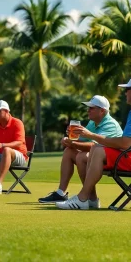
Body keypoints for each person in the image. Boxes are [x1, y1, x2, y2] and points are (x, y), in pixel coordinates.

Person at [56, 80, 131, 210]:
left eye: (127, 90)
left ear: (102, 111)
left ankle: (83, 198)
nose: (125, 93)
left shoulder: (110, 123)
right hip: (125, 155)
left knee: (97, 150)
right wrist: (73, 138)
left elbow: (125, 143)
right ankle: (86, 198)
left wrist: (87, 137)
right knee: (93, 149)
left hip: (126, 156)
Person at [38, 95, 123, 204]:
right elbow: (82, 140)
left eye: (91, 108)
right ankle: (61, 193)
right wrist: (69, 138)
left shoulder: (110, 124)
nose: (88, 110)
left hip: (113, 160)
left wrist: (73, 143)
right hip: (100, 157)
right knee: (69, 151)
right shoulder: (93, 122)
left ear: (102, 111)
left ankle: (89, 198)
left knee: (82, 157)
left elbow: (93, 145)